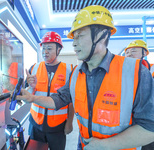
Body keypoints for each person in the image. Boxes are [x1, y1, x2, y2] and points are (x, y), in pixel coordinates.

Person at [12, 5, 154, 150]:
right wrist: (32, 98)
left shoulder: (136, 72)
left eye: (80, 36)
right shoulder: (76, 73)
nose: (74, 43)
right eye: (74, 37)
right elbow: (59, 99)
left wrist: (105, 145)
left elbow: (150, 127)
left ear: (102, 35)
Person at [25, 31, 74, 150]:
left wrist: (69, 123)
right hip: (36, 125)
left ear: (58, 50)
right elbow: (28, 94)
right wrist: (30, 86)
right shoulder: (34, 67)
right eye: (43, 48)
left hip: (58, 127)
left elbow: (71, 100)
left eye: (49, 48)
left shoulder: (69, 70)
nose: (45, 51)